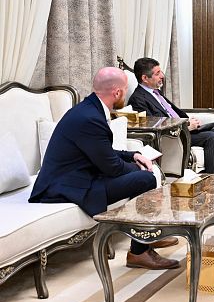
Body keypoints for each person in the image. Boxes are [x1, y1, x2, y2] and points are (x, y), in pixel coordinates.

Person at [29, 67, 180, 270]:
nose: (125, 95)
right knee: (145, 178)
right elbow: (113, 168)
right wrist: (140, 168)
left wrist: (133, 155)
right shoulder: (90, 118)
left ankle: (147, 234)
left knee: (141, 171)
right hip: (67, 186)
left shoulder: (89, 109)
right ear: (117, 93)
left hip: (80, 175)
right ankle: (139, 252)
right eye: (124, 90)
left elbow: (102, 151)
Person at [128, 57, 214, 174]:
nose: (162, 76)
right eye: (157, 73)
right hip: (172, 137)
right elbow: (153, 126)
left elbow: (171, 112)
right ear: (145, 78)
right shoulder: (138, 99)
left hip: (182, 129)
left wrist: (188, 121)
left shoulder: (155, 92)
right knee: (211, 137)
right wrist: (186, 127)